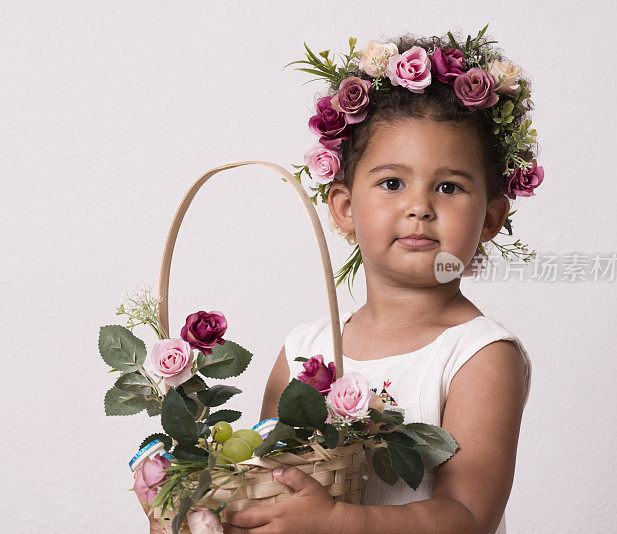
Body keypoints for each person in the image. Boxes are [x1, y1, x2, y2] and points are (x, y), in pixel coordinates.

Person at [222, 27, 539, 534]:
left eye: (449, 186)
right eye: (392, 183)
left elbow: (468, 515)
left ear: (489, 218)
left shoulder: (480, 355)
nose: (419, 207)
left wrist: (336, 522)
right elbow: (276, 485)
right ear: (345, 208)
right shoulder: (304, 349)